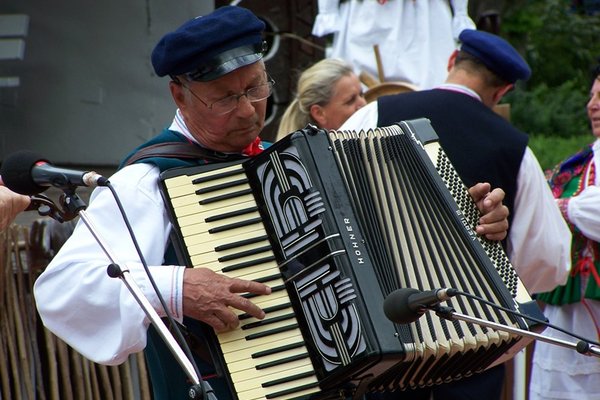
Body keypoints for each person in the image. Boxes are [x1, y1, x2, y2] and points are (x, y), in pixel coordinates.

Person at [33, 7, 512, 400]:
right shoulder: (147, 180)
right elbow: (65, 289)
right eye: (225, 97)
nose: (247, 110)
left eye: (256, 88)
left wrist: (461, 223)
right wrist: (176, 287)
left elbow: (373, 255)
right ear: (179, 93)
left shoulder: (289, 163)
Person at [341, 29, 572, 399]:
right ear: (502, 92)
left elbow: (334, 200)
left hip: (383, 333)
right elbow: (550, 260)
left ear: (452, 61)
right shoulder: (513, 148)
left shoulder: (375, 112)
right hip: (471, 347)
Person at [529, 63, 600, 399]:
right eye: (591, 96)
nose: (593, 105)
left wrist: (564, 207)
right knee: (557, 378)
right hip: (569, 301)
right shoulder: (581, 160)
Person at [311, 0, 475, 89]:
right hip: (367, 17)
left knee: (429, 84)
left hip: (424, 19)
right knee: (357, 91)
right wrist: (328, 10)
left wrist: (460, 12)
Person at [276, 58, 366, 140]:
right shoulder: (307, 156)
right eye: (350, 101)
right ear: (319, 113)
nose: (363, 104)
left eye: (362, 94)